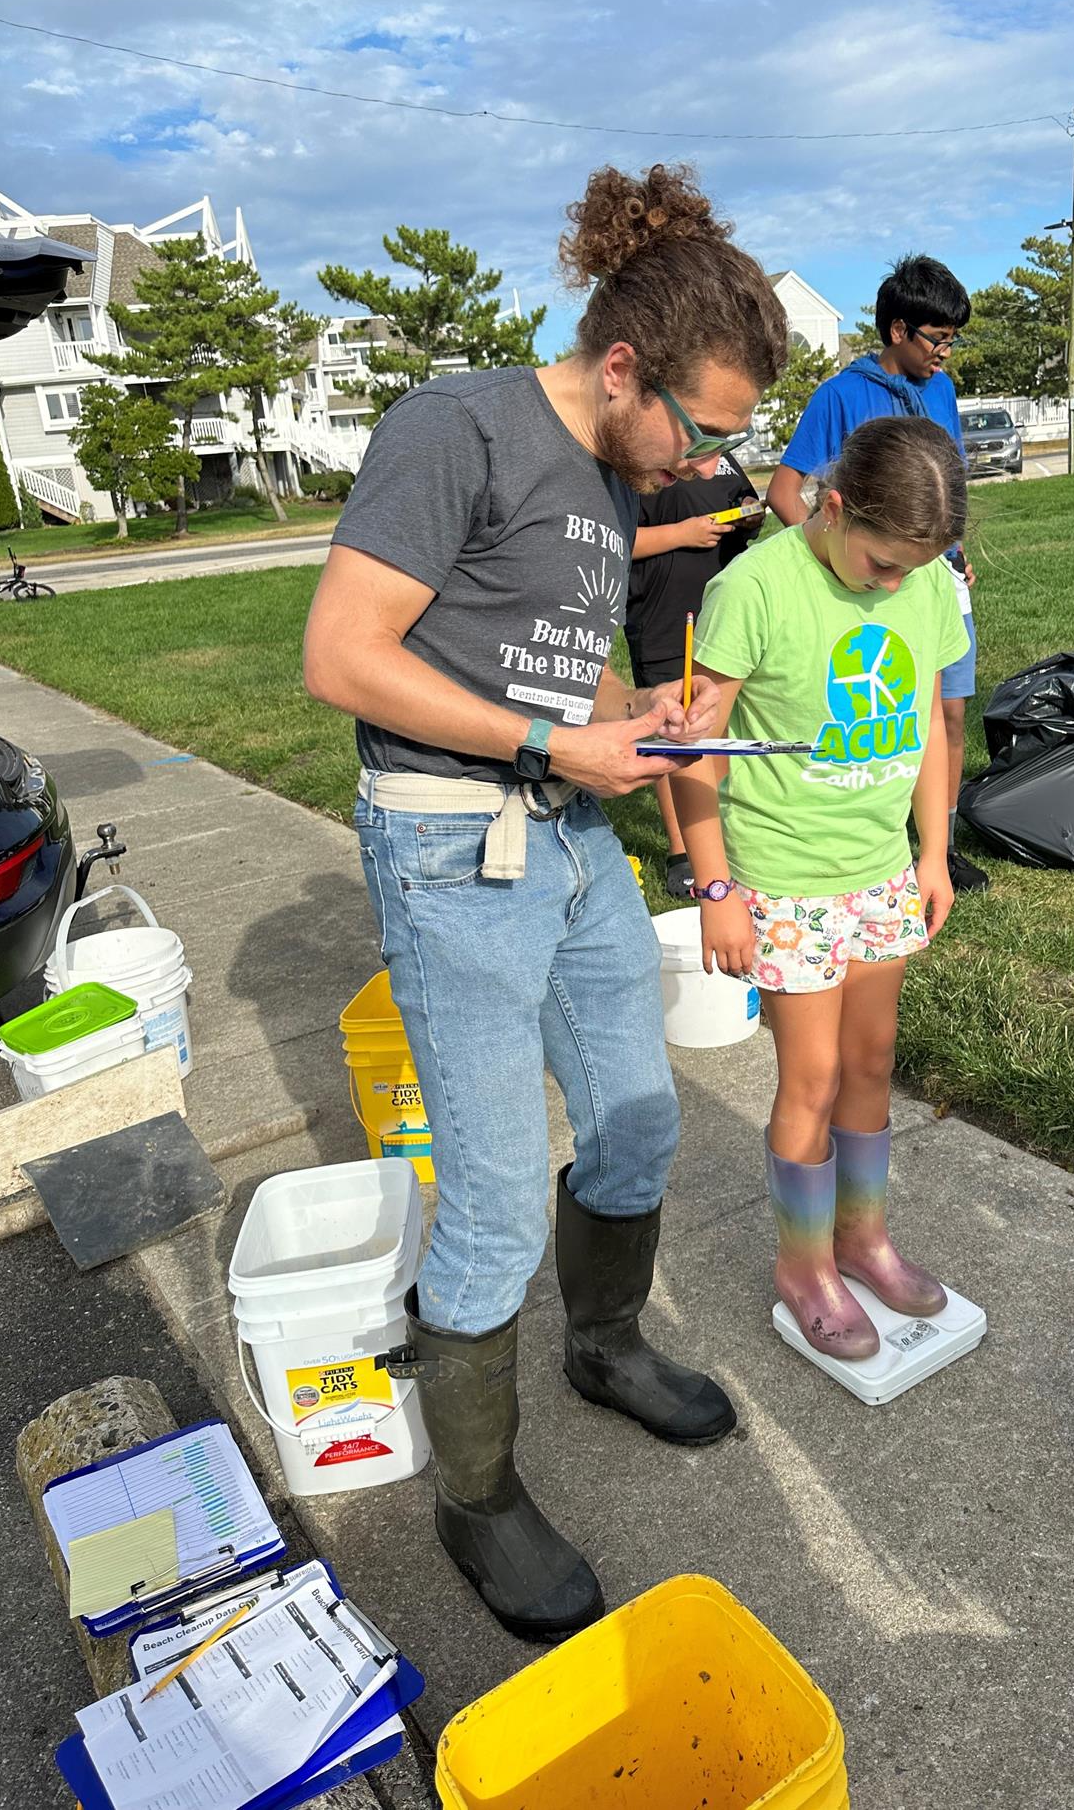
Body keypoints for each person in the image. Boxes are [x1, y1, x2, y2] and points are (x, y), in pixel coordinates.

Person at [302, 163, 788, 1642]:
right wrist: (542, 741)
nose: (703, 464)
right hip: (454, 845)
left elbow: (546, 652)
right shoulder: (455, 427)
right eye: (700, 431)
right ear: (623, 366)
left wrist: (628, 716)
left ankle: (604, 1344)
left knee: (638, 1121)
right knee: (501, 1196)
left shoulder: (602, 475)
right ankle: (478, 1495)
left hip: (571, 832)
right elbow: (340, 656)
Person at [671, 417, 967, 1358]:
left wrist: (932, 853)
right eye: (880, 563)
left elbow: (923, 727)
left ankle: (862, 1237)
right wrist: (716, 889)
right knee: (811, 1077)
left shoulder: (925, 586)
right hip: (785, 882)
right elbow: (693, 751)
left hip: (879, 872)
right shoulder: (750, 589)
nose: (893, 584)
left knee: (873, 1065)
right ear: (832, 507)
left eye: (910, 569)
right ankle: (802, 1265)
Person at [765, 254, 988, 894]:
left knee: (948, 712)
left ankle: (937, 844)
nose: (945, 354)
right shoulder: (838, 396)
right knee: (878, 710)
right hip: (866, 584)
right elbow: (786, 491)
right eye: (936, 339)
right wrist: (830, 560)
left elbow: (945, 492)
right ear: (896, 330)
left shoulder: (941, 390)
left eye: (952, 340)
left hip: (937, 582)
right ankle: (865, 831)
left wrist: (954, 550)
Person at [627, 452, 765, 896]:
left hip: (723, 607)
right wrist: (682, 534)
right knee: (674, 725)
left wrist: (748, 513)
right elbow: (617, 540)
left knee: (716, 723)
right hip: (664, 609)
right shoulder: (641, 462)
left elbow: (748, 503)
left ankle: (724, 837)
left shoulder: (720, 458)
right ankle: (681, 850)